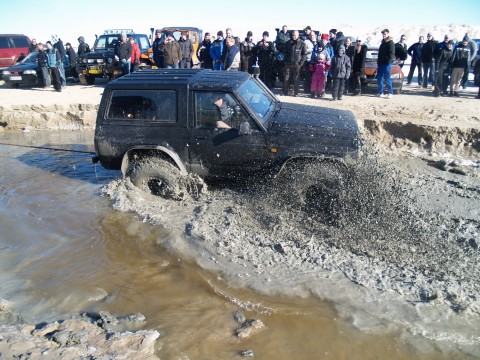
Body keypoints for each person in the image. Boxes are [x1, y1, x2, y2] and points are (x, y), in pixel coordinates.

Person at [283, 30, 306, 96]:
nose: (294, 36)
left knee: (296, 78)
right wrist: (286, 61)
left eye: (295, 35)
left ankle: (296, 93)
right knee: (286, 78)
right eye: (293, 35)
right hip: (289, 63)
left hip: (297, 64)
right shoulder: (288, 43)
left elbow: (304, 54)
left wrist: (300, 63)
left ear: (298, 35)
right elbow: (285, 53)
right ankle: (285, 92)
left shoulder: (302, 43)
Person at [377, 29, 395, 98]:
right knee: (380, 78)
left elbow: (391, 53)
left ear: (388, 34)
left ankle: (390, 93)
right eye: (383, 34)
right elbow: (380, 54)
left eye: (385, 34)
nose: (384, 35)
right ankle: (380, 92)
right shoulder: (382, 43)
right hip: (381, 63)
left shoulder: (390, 43)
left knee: (387, 78)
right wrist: (378, 62)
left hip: (387, 64)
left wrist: (388, 61)